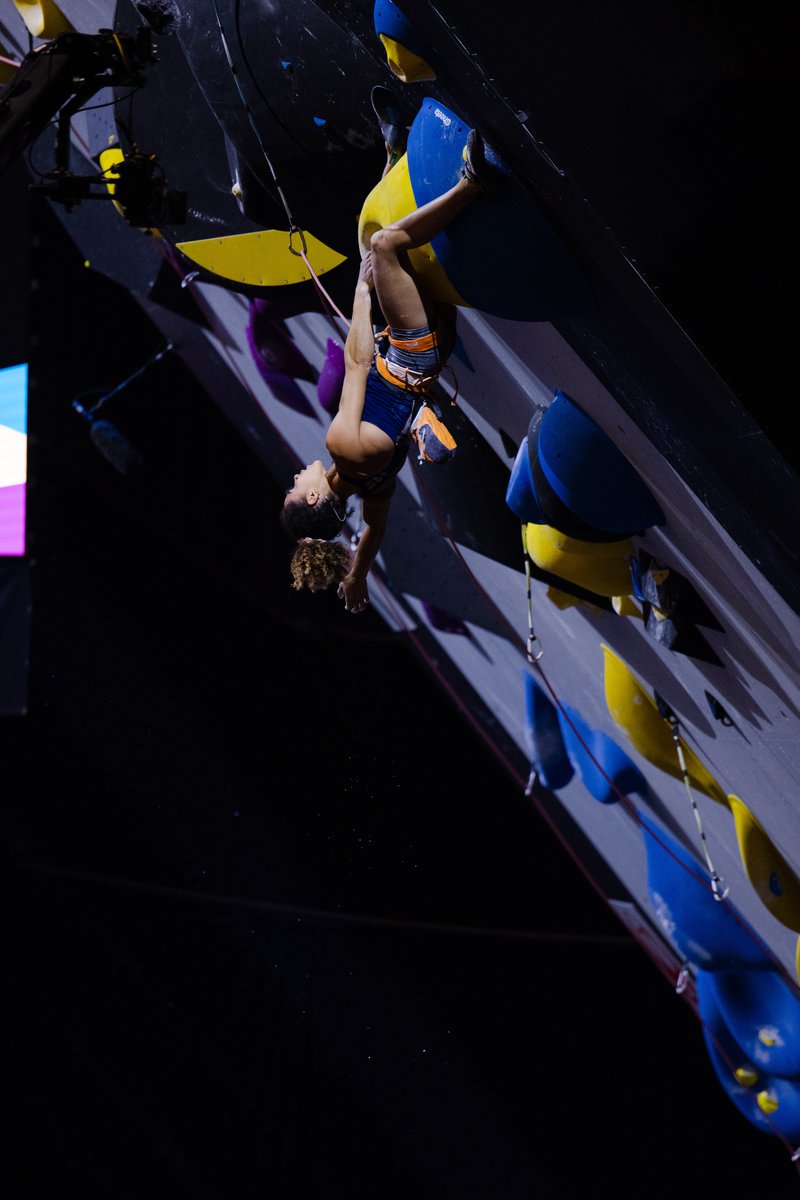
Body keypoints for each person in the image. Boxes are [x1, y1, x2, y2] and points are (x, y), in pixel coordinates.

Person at [280, 123, 493, 614]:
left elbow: (374, 530)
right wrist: (360, 293)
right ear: (314, 500)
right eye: (296, 488)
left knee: (377, 248)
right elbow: (355, 364)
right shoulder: (340, 445)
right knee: (380, 248)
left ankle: (395, 154)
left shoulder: (372, 485)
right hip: (411, 348)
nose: (296, 477)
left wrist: (356, 576)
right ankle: (472, 183)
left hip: (428, 359)